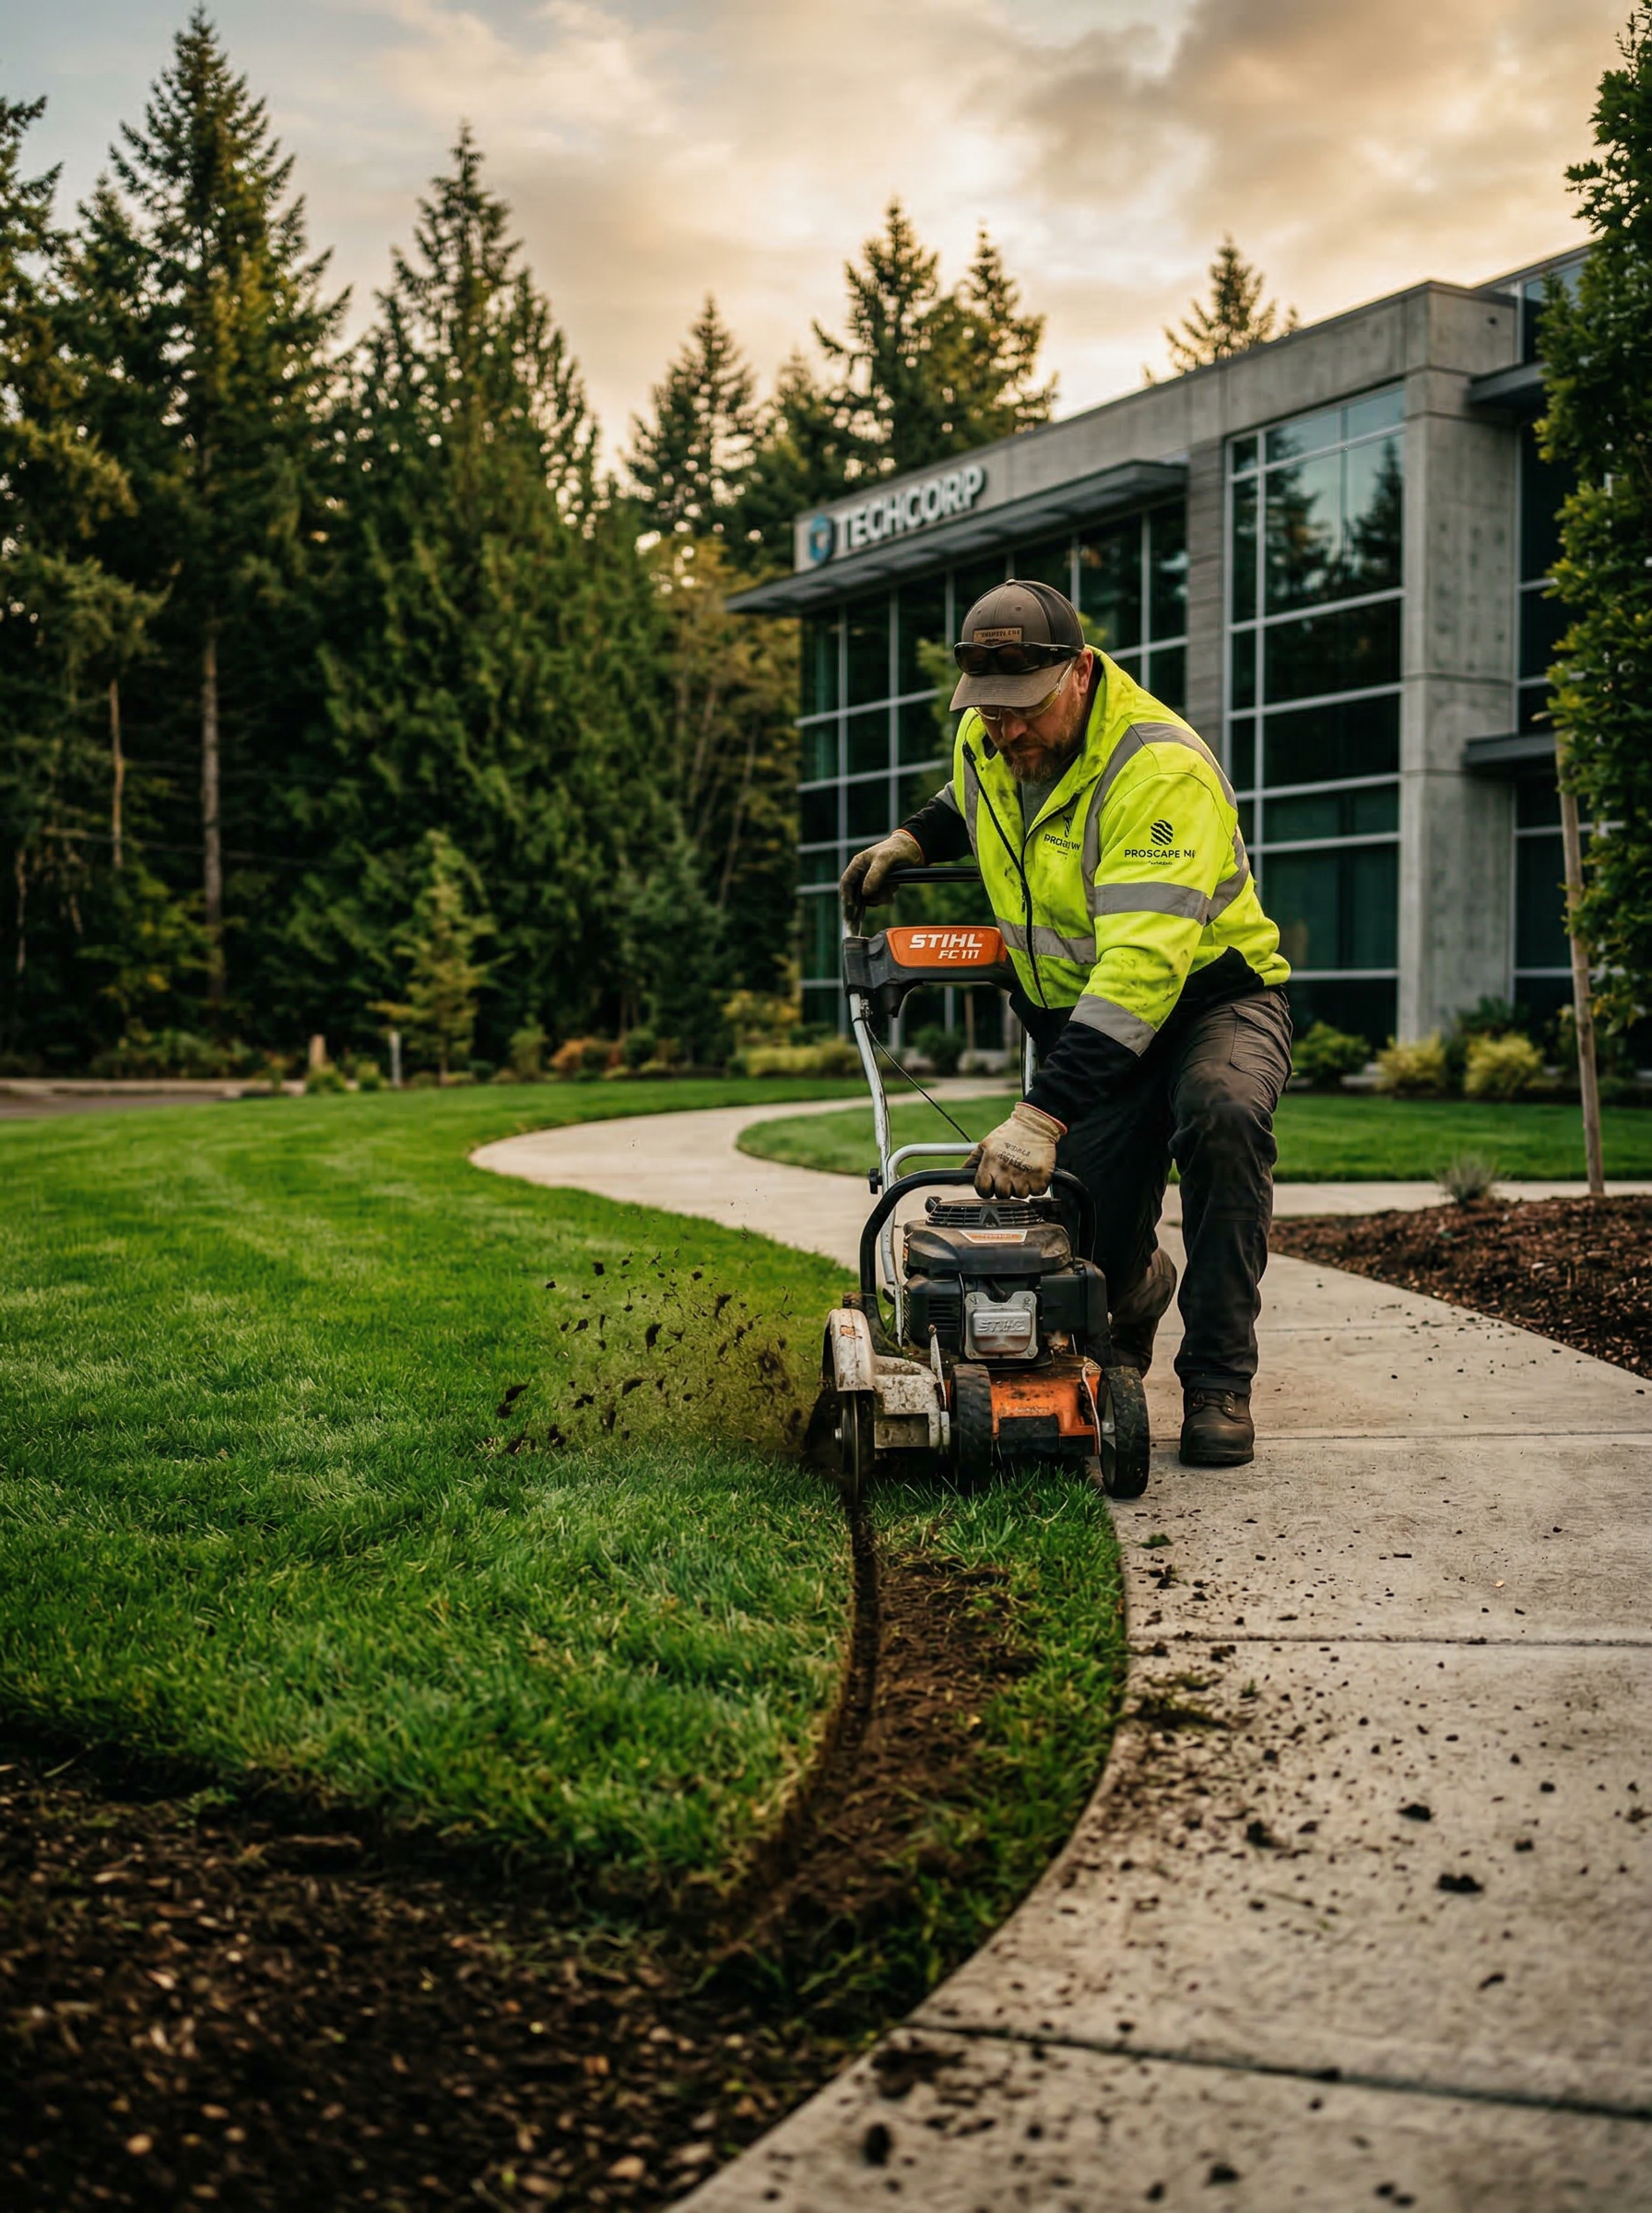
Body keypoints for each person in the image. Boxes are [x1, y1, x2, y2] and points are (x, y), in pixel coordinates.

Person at [840, 578, 1292, 1467]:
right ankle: (1136, 1293)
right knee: (1094, 1236)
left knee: (1224, 1114)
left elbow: (1140, 971)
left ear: (1079, 672)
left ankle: (1217, 1382)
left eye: (1023, 712)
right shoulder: (992, 735)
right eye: (990, 713)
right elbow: (978, 793)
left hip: (1212, 1000)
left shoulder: (1158, 771)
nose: (1006, 732)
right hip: (1085, 1025)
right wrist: (913, 840)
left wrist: (1040, 1115)